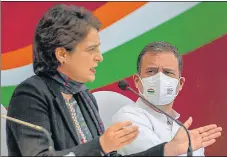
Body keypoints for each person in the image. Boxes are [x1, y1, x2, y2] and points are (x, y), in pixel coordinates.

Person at [6, 4, 222, 156]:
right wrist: (100, 145)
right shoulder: (31, 94)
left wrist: (168, 150)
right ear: (62, 54)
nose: (99, 57)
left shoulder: (83, 96)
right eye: (91, 49)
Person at [112, 41, 211, 156]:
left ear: (180, 84)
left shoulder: (187, 135)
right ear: (137, 81)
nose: (160, 78)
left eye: (168, 72)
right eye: (151, 71)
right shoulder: (127, 119)